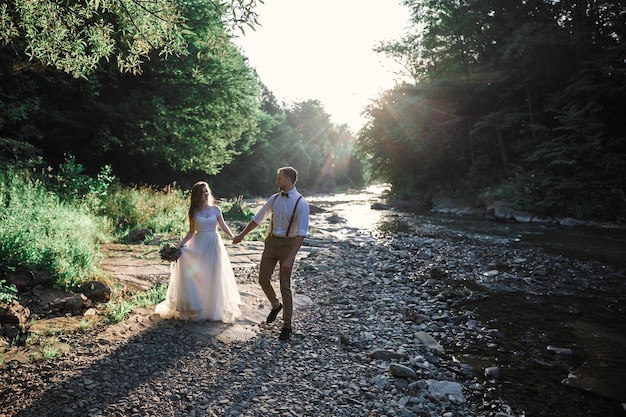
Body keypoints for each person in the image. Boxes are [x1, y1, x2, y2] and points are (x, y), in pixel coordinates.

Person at [232, 166, 309, 341]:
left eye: (279, 178)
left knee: (285, 286)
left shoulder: (301, 203)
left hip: (288, 245)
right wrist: (241, 235)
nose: (277, 181)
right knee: (263, 279)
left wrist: (290, 258)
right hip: (271, 242)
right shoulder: (274, 198)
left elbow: (302, 233)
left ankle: (287, 326)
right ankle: (276, 305)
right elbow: (257, 219)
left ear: (288, 179)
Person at [155, 181, 242, 323]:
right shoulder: (194, 212)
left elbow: (223, 225)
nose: (206, 194)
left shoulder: (216, 209)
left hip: (214, 243)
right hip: (198, 244)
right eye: (202, 192)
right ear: (197, 195)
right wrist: (178, 246)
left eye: (207, 191)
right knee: (199, 274)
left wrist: (233, 237)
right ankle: (197, 305)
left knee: (214, 274)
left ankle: (213, 310)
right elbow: (191, 232)